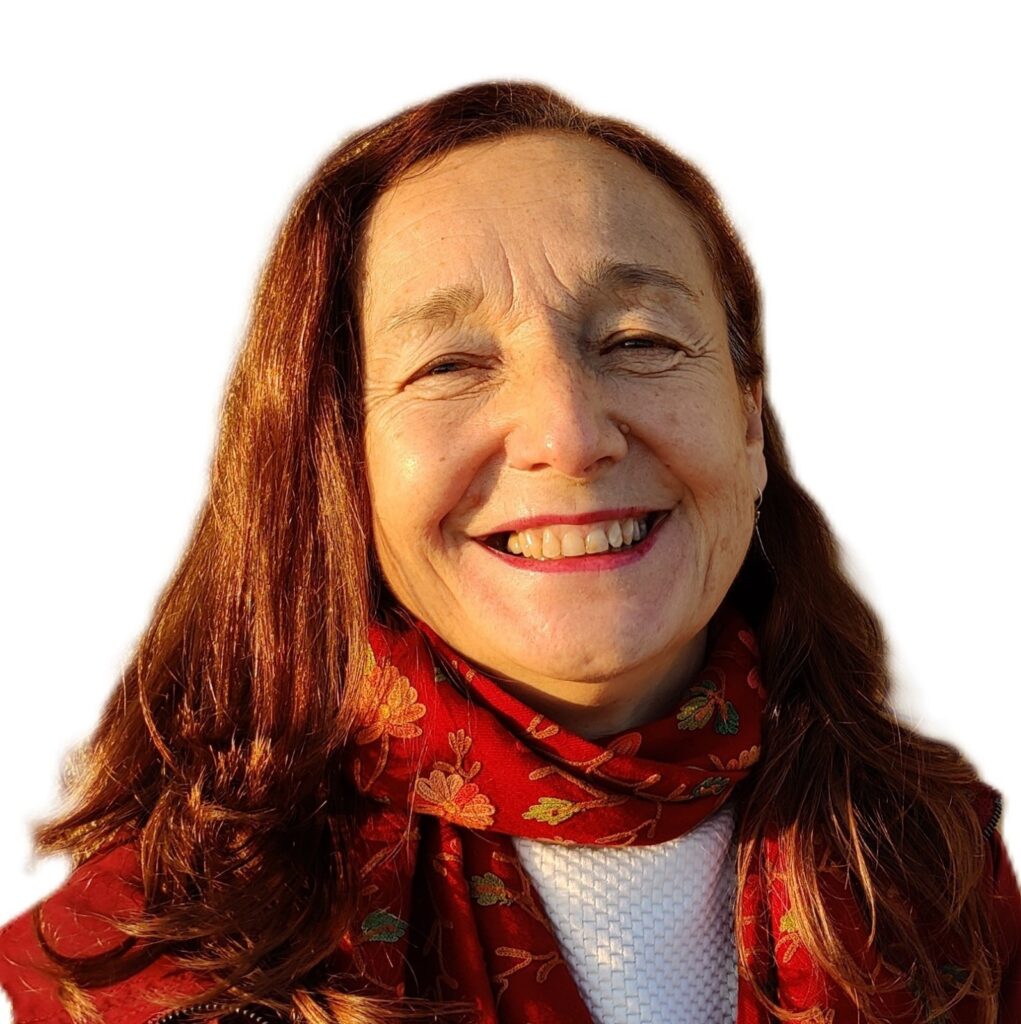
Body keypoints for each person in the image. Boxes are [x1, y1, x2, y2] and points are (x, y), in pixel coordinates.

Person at [0, 80, 1017, 1024]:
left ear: (747, 422)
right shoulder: (160, 960)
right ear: (334, 460)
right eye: (450, 363)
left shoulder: (938, 877)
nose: (569, 435)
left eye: (640, 341)